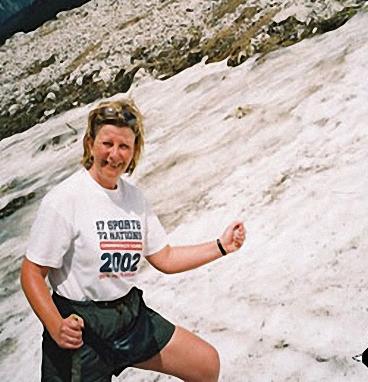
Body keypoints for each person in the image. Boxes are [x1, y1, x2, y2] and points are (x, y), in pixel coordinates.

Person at [21, 98, 246, 382]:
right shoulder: (65, 199)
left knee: (204, 364)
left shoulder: (134, 199)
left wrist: (221, 246)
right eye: (107, 143)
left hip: (129, 317)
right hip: (81, 328)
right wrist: (56, 326)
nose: (115, 154)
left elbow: (165, 258)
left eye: (124, 146)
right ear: (90, 143)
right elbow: (31, 272)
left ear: (134, 151)